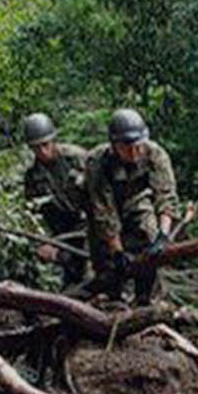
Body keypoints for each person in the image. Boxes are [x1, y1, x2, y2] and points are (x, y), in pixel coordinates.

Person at [85, 108, 178, 305]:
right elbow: (104, 211)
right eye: (127, 148)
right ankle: (111, 301)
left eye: (138, 146)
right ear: (114, 145)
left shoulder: (155, 154)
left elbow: (165, 196)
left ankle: (147, 298)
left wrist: (162, 237)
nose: (135, 152)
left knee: (149, 238)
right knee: (107, 265)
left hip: (137, 203)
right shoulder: (98, 162)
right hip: (103, 212)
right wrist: (117, 252)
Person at [20, 112, 91, 290]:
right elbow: (32, 213)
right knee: (68, 269)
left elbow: (102, 193)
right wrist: (42, 242)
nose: (42, 152)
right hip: (62, 230)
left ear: (53, 140)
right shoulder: (33, 175)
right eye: (36, 148)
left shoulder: (77, 158)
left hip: (89, 222)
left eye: (45, 145)